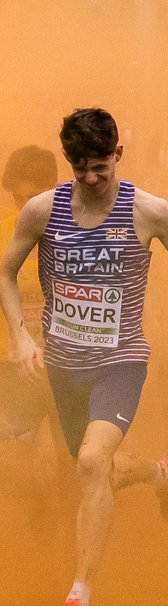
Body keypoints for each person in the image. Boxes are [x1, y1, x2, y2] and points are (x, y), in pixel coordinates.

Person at [0, 108, 168, 606]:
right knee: (92, 469)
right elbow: (6, 272)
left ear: (118, 154)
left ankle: (78, 597)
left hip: (120, 363)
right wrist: (21, 336)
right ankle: (158, 472)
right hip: (59, 367)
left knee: (92, 462)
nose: (92, 178)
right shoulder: (42, 210)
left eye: (101, 166)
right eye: (81, 169)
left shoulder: (148, 210)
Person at [0, 146, 59, 524]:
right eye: (16, 196)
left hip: (68, 366)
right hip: (15, 366)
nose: (24, 205)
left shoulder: (76, 233)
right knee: (11, 465)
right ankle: (38, 518)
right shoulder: (4, 233)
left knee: (78, 465)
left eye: (32, 196)